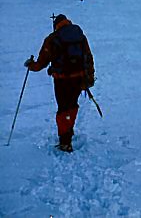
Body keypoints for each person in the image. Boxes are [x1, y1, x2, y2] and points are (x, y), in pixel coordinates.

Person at [24, 14, 94, 152]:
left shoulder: (52, 39)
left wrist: (31, 65)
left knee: (63, 108)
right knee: (72, 105)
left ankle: (65, 141)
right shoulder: (80, 36)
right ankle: (69, 130)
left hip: (61, 80)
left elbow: (41, 63)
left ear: (56, 25)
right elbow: (88, 57)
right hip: (78, 78)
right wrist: (89, 77)